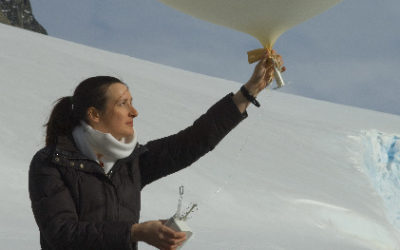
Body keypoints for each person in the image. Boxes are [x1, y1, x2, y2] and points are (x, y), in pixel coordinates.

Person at [29, 51, 284, 250]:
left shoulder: (131, 163)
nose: (134, 111)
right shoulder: (52, 163)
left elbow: (193, 141)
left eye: (132, 102)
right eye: (123, 103)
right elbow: (62, 234)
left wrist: (248, 92)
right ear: (94, 114)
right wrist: (135, 232)